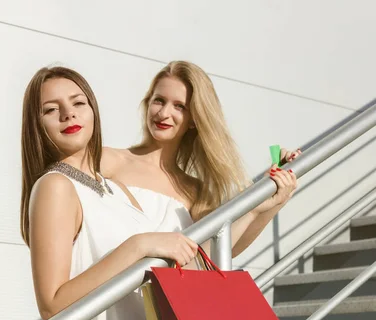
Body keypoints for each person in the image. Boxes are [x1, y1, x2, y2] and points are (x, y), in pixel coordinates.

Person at [21, 66, 199, 320]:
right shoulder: (55, 186)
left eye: (78, 102)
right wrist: (139, 246)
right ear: (36, 126)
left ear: (93, 110)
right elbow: (52, 303)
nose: (67, 114)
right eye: (50, 109)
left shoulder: (113, 188)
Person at [102, 61, 300, 256]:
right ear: (148, 103)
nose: (164, 113)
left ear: (194, 120)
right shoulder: (108, 159)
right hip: (104, 286)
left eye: (179, 106)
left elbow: (221, 253)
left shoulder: (196, 193)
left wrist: (271, 199)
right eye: (159, 100)